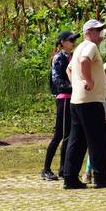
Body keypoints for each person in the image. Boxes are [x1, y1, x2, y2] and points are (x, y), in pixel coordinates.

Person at [62, 19, 106, 189]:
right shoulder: (89, 47)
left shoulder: (78, 47)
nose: (101, 33)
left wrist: (77, 85)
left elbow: (69, 69)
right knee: (98, 140)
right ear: (89, 32)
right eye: (98, 29)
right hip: (91, 101)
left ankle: (70, 178)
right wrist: (89, 81)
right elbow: (84, 61)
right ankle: (101, 178)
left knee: (77, 141)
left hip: (78, 100)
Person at [42, 30, 77, 181]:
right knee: (58, 136)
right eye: (70, 40)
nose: (73, 42)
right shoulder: (58, 57)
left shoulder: (73, 57)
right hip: (63, 98)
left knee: (68, 136)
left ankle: (63, 169)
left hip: (73, 98)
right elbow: (57, 81)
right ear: (62, 42)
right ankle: (45, 169)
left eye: (74, 40)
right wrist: (74, 86)